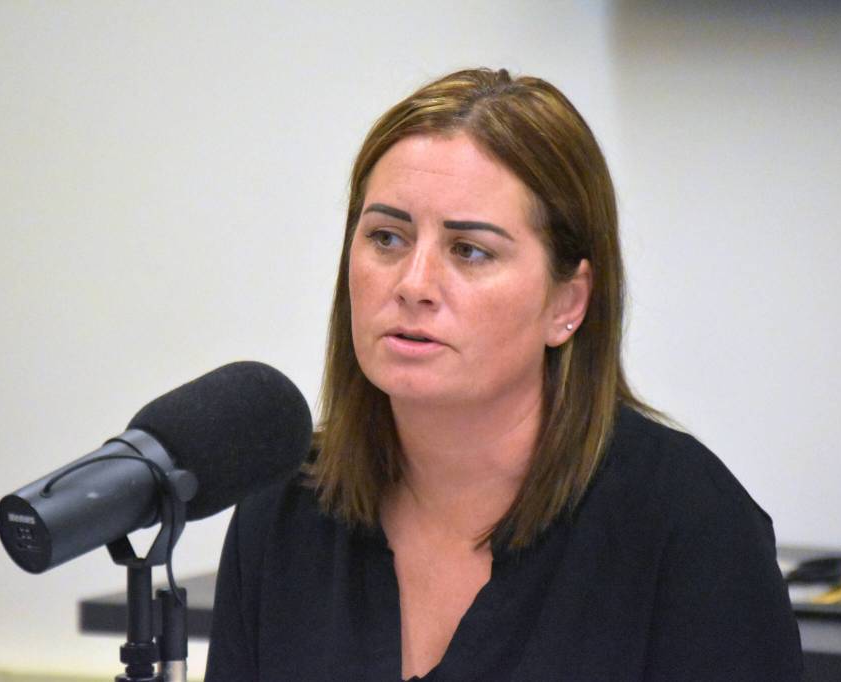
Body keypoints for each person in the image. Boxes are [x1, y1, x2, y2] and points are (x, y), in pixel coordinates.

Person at [204, 68, 802, 681]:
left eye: (470, 251)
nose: (413, 285)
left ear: (568, 302)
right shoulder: (282, 511)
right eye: (386, 238)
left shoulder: (690, 527)